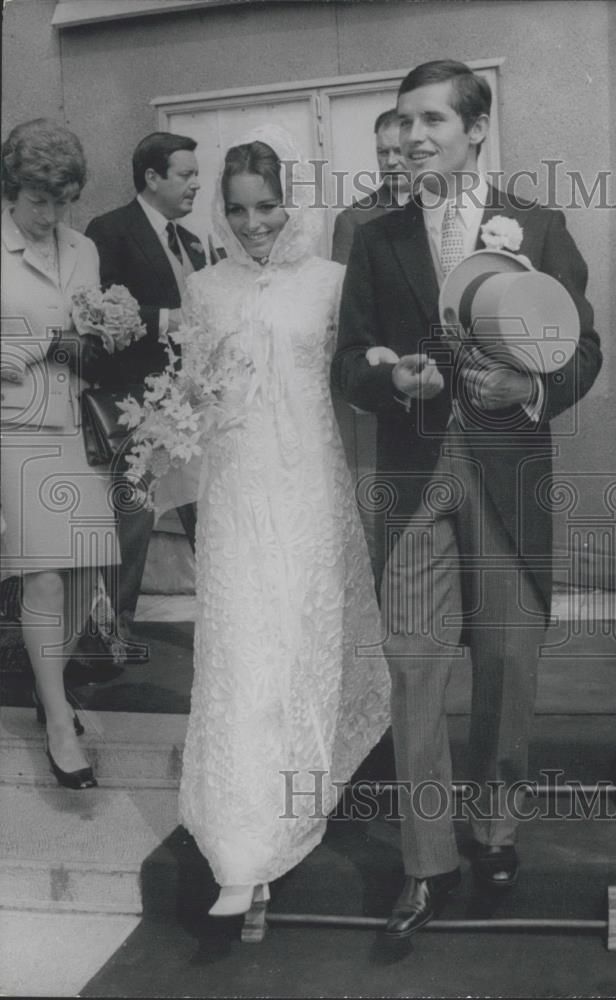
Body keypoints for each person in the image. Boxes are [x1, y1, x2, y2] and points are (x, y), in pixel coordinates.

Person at [333, 60, 602, 939]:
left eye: (430, 121)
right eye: (402, 122)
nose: (410, 137)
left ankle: (493, 829)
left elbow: (584, 351)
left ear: (476, 128)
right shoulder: (374, 238)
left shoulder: (536, 225)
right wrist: (391, 380)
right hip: (413, 479)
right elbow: (349, 362)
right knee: (412, 666)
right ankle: (424, 864)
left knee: (507, 663)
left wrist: (524, 397)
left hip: (507, 473)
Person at [176, 125, 390, 917]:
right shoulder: (203, 290)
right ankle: (240, 833)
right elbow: (192, 395)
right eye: (238, 211)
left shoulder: (333, 280)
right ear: (221, 212)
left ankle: (302, 779)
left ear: (287, 200)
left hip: (308, 485)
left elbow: (358, 369)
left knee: (300, 633)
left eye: (265, 206)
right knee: (240, 641)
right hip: (235, 489)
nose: (254, 223)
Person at [1, 119, 121, 789]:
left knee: (82, 579)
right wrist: (43, 344)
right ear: (12, 189)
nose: (49, 214)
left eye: (62, 200)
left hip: (74, 425)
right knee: (44, 576)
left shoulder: (84, 249)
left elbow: (85, 335)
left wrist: (99, 335)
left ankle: (51, 690)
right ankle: (54, 720)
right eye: (37, 199)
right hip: (13, 429)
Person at [84, 133, 206, 659]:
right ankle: (113, 634)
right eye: (186, 174)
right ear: (152, 178)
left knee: (210, 513)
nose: (196, 183)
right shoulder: (109, 231)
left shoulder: (194, 244)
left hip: (192, 407)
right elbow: (93, 317)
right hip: (136, 405)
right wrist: (165, 320)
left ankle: (232, 617)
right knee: (132, 520)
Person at [331, 109, 410, 265]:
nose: (391, 161)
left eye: (399, 151)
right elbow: (344, 287)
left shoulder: (440, 205)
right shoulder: (353, 220)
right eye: (383, 152)